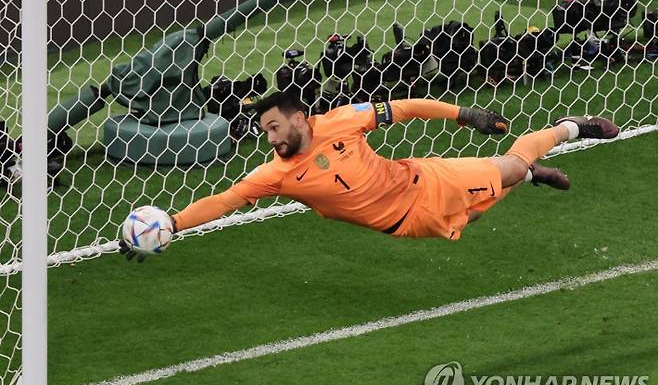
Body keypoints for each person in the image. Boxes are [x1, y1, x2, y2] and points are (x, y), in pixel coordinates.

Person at [120, 92, 618, 260]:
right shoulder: (275, 176)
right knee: (506, 185)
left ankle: (570, 127)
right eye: (263, 132)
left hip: (424, 177)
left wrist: (464, 115)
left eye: (273, 126)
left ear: (299, 118)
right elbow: (225, 200)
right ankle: (534, 172)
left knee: (510, 168)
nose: (269, 138)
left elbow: (404, 108)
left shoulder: (341, 119)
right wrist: (174, 224)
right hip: (408, 221)